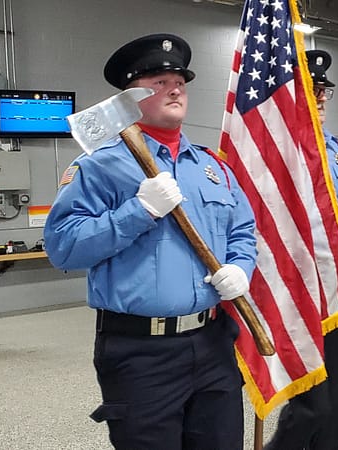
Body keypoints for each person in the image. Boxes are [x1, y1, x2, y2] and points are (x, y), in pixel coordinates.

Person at [43, 33, 258, 449]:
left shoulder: (213, 168)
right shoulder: (99, 166)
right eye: (157, 81)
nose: (175, 87)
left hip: (212, 342)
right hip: (141, 351)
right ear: (129, 96)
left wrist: (240, 268)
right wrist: (137, 212)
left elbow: (243, 232)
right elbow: (63, 247)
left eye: (179, 79)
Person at [266, 49, 338, 450]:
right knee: (310, 403)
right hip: (295, 295)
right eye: (314, 90)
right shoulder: (275, 153)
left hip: (336, 294)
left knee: (334, 405)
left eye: (325, 90)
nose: (323, 97)